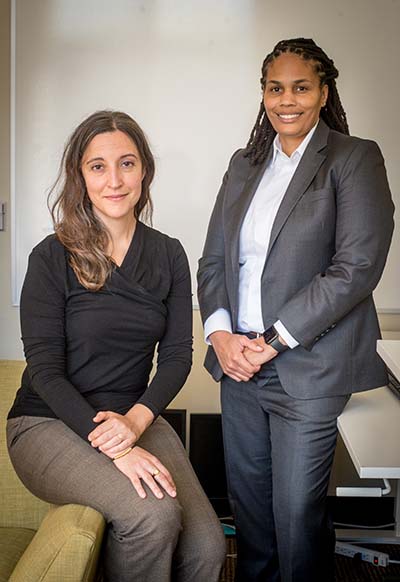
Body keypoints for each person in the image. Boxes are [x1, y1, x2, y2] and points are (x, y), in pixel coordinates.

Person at [197, 38, 394, 582]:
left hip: (307, 370)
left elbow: (356, 266)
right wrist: (220, 336)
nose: (287, 100)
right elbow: (214, 260)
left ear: (324, 92)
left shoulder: (354, 159)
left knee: (296, 518)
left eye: (301, 87)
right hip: (238, 369)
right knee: (252, 518)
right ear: (263, 94)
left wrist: (275, 339)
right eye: (275, 88)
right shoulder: (244, 165)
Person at [7, 110, 226, 582]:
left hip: (133, 418)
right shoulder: (51, 256)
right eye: (97, 166)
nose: (114, 180)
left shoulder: (168, 253)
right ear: (80, 176)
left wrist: (135, 421)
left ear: (144, 169)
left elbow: (176, 356)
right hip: (48, 421)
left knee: (208, 546)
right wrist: (116, 447)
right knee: (153, 517)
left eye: (126, 163)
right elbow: (44, 371)